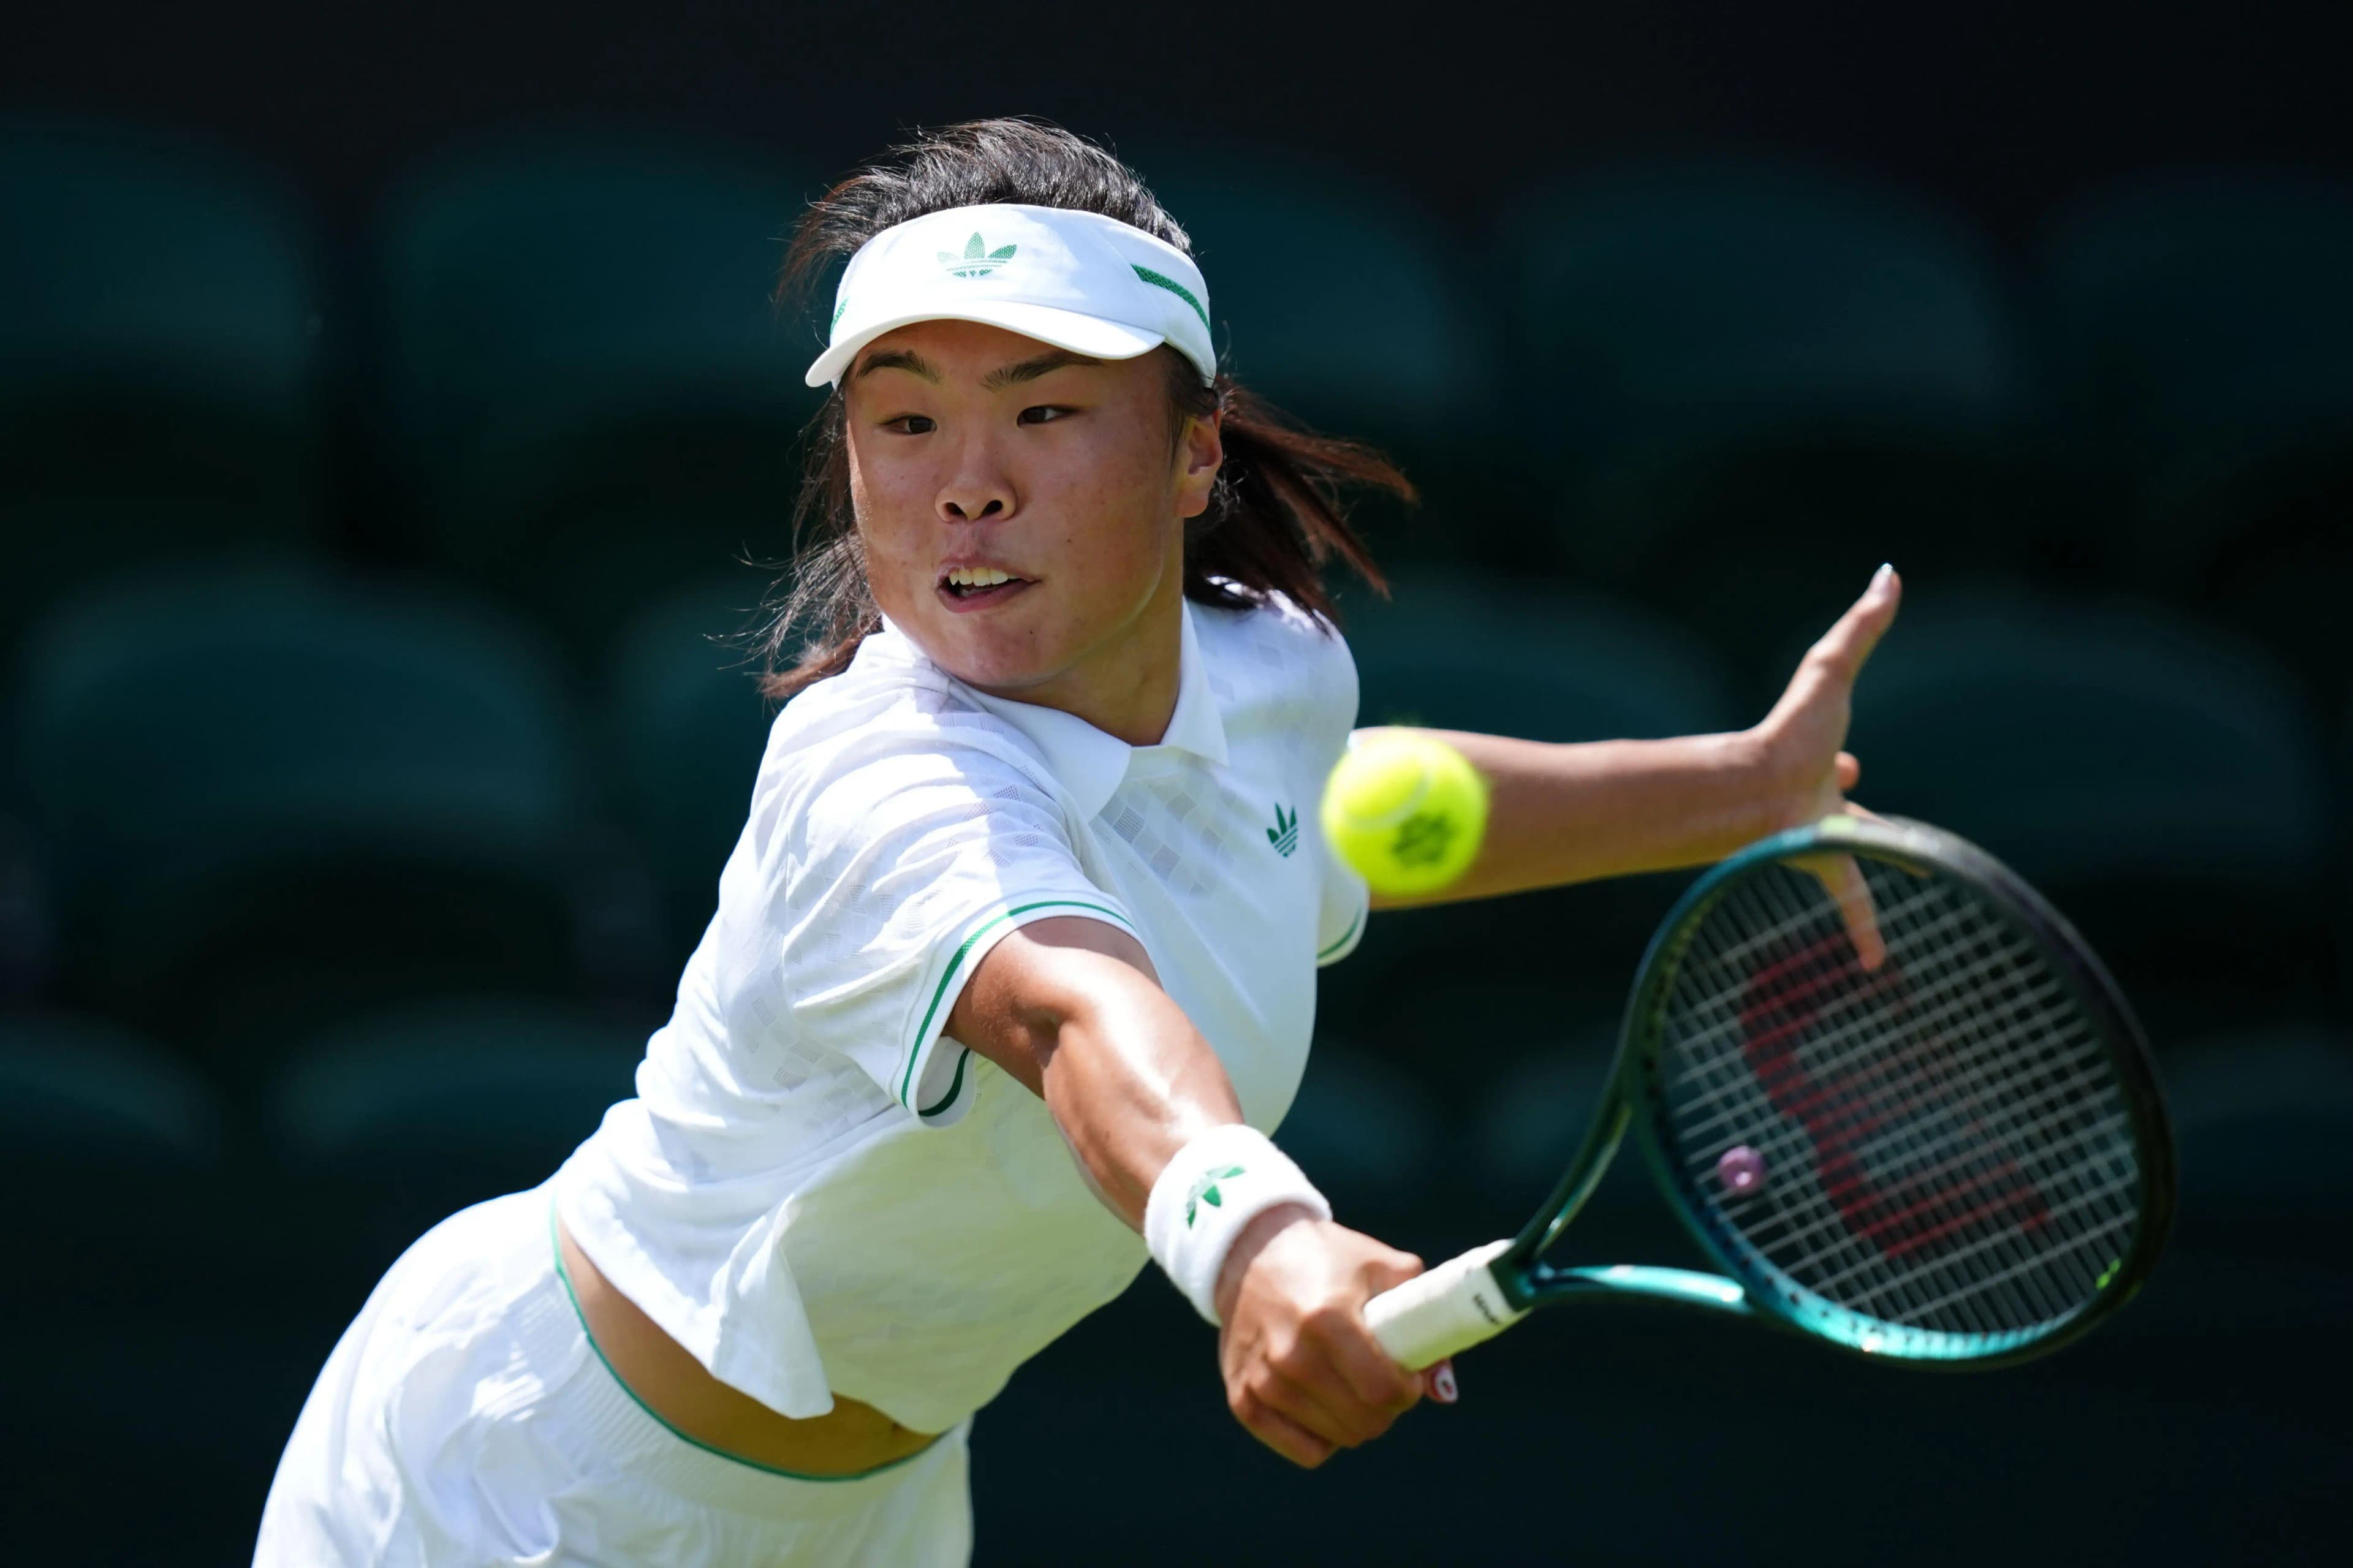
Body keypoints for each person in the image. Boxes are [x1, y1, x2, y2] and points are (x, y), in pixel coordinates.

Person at [254, 117, 1901, 1566]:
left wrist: (1735, 792)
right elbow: (1072, 1014)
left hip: (876, 1515)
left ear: (1193, 456)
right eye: (904, 424)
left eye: (1046, 414)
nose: (968, 485)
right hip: (526, 1488)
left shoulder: (1267, 665)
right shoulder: (878, 778)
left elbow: (1325, 810)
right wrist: (1260, 1242)